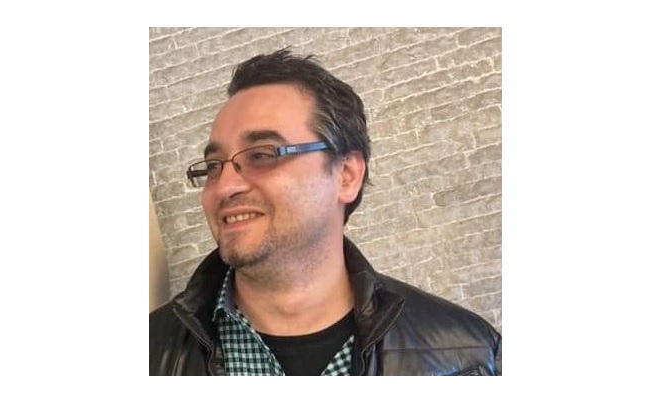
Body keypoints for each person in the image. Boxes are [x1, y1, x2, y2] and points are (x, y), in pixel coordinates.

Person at [149, 48, 502, 376]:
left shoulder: (468, 357)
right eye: (213, 166)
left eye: (261, 155)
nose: (224, 186)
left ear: (346, 175)